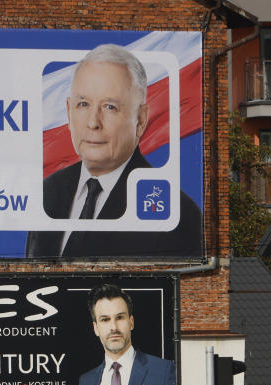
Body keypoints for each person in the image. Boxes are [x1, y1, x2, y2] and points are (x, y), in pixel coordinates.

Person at [26, 44, 201, 259]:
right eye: (83, 104)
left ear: (140, 119)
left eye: (110, 107)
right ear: (69, 112)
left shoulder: (177, 214)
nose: (93, 122)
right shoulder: (48, 192)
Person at [71, 284, 176, 385]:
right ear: (95, 328)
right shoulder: (87, 381)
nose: (114, 327)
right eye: (105, 320)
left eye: (120, 318)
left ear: (131, 322)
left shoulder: (163, 370)